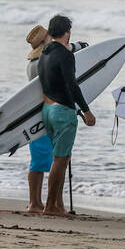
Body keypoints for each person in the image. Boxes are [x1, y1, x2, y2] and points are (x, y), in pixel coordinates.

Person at [24, 25, 87, 213]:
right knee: (51, 160)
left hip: (43, 112)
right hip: (44, 114)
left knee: (52, 160)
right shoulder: (40, 63)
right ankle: (39, 203)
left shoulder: (39, 60)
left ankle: (52, 203)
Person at [37, 14, 96, 216]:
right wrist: (86, 111)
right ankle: (50, 206)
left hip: (47, 110)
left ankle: (58, 204)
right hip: (62, 111)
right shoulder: (64, 55)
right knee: (61, 160)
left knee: (61, 158)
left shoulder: (44, 53)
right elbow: (72, 85)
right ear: (68, 33)